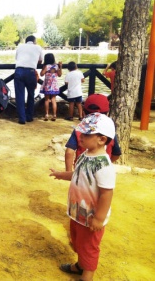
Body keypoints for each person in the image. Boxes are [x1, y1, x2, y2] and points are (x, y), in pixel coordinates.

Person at [50, 113, 116, 281]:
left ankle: (87, 275)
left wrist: (99, 219)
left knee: (89, 247)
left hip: (91, 217)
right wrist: (62, 174)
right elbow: (77, 174)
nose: (80, 137)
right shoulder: (86, 155)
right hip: (78, 213)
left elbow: (106, 193)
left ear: (101, 139)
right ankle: (80, 265)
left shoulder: (103, 165)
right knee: (79, 242)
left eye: (86, 134)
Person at [64, 94, 121, 171]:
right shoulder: (109, 131)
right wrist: (107, 163)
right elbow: (116, 154)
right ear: (107, 113)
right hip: (102, 170)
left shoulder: (79, 130)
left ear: (84, 113)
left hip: (80, 171)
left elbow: (69, 152)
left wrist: (68, 172)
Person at [14, 35, 44, 124]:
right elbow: (40, 60)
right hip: (31, 72)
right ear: (34, 41)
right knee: (31, 95)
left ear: (26, 41)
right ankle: (29, 116)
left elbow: (17, 58)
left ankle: (22, 118)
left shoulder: (20, 46)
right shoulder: (38, 47)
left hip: (19, 71)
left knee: (20, 96)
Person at [40, 53, 62, 121]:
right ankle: (54, 115)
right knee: (53, 99)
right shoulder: (56, 66)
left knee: (46, 99)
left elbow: (41, 74)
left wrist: (44, 68)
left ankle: (46, 114)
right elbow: (60, 75)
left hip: (47, 85)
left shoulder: (46, 66)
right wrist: (60, 66)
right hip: (54, 85)